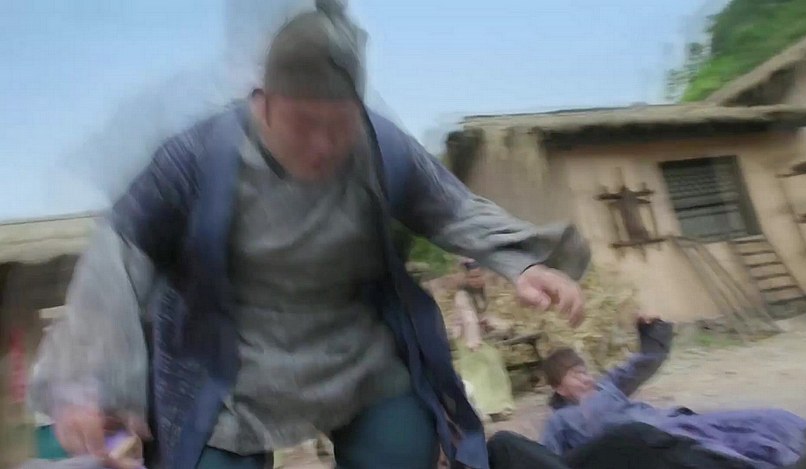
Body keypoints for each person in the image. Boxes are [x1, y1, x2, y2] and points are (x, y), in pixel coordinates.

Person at [27, 2, 591, 469]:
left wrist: (524, 264)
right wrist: (86, 383)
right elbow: (119, 255)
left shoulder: (378, 147)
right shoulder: (198, 159)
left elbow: (451, 208)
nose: (323, 146)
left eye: (339, 126)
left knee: (405, 449)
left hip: (353, 355)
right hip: (233, 371)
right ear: (263, 104)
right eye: (303, 125)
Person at [540, 316, 806, 469]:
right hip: (649, 445)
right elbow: (549, 461)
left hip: (676, 421)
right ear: (558, 387)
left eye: (584, 370)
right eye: (575, 374)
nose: (585, 378)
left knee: (759, 419)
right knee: (718, 454)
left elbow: (646, 361)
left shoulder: (608, 386)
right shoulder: (560, 421)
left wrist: (652, 332)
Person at [449, 260, 515, 421]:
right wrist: (473, 342)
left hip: (480, 336)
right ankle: (481, 408)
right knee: (478, 373)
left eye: (478, 276)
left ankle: (499, 406)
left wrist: (499, 325)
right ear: (466, 278)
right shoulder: (462, 295)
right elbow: (468, 319)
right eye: (472, 277)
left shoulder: (480, 293)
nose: (476, 280)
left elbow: (482, 316)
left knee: (494, 365)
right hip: (467, 338)